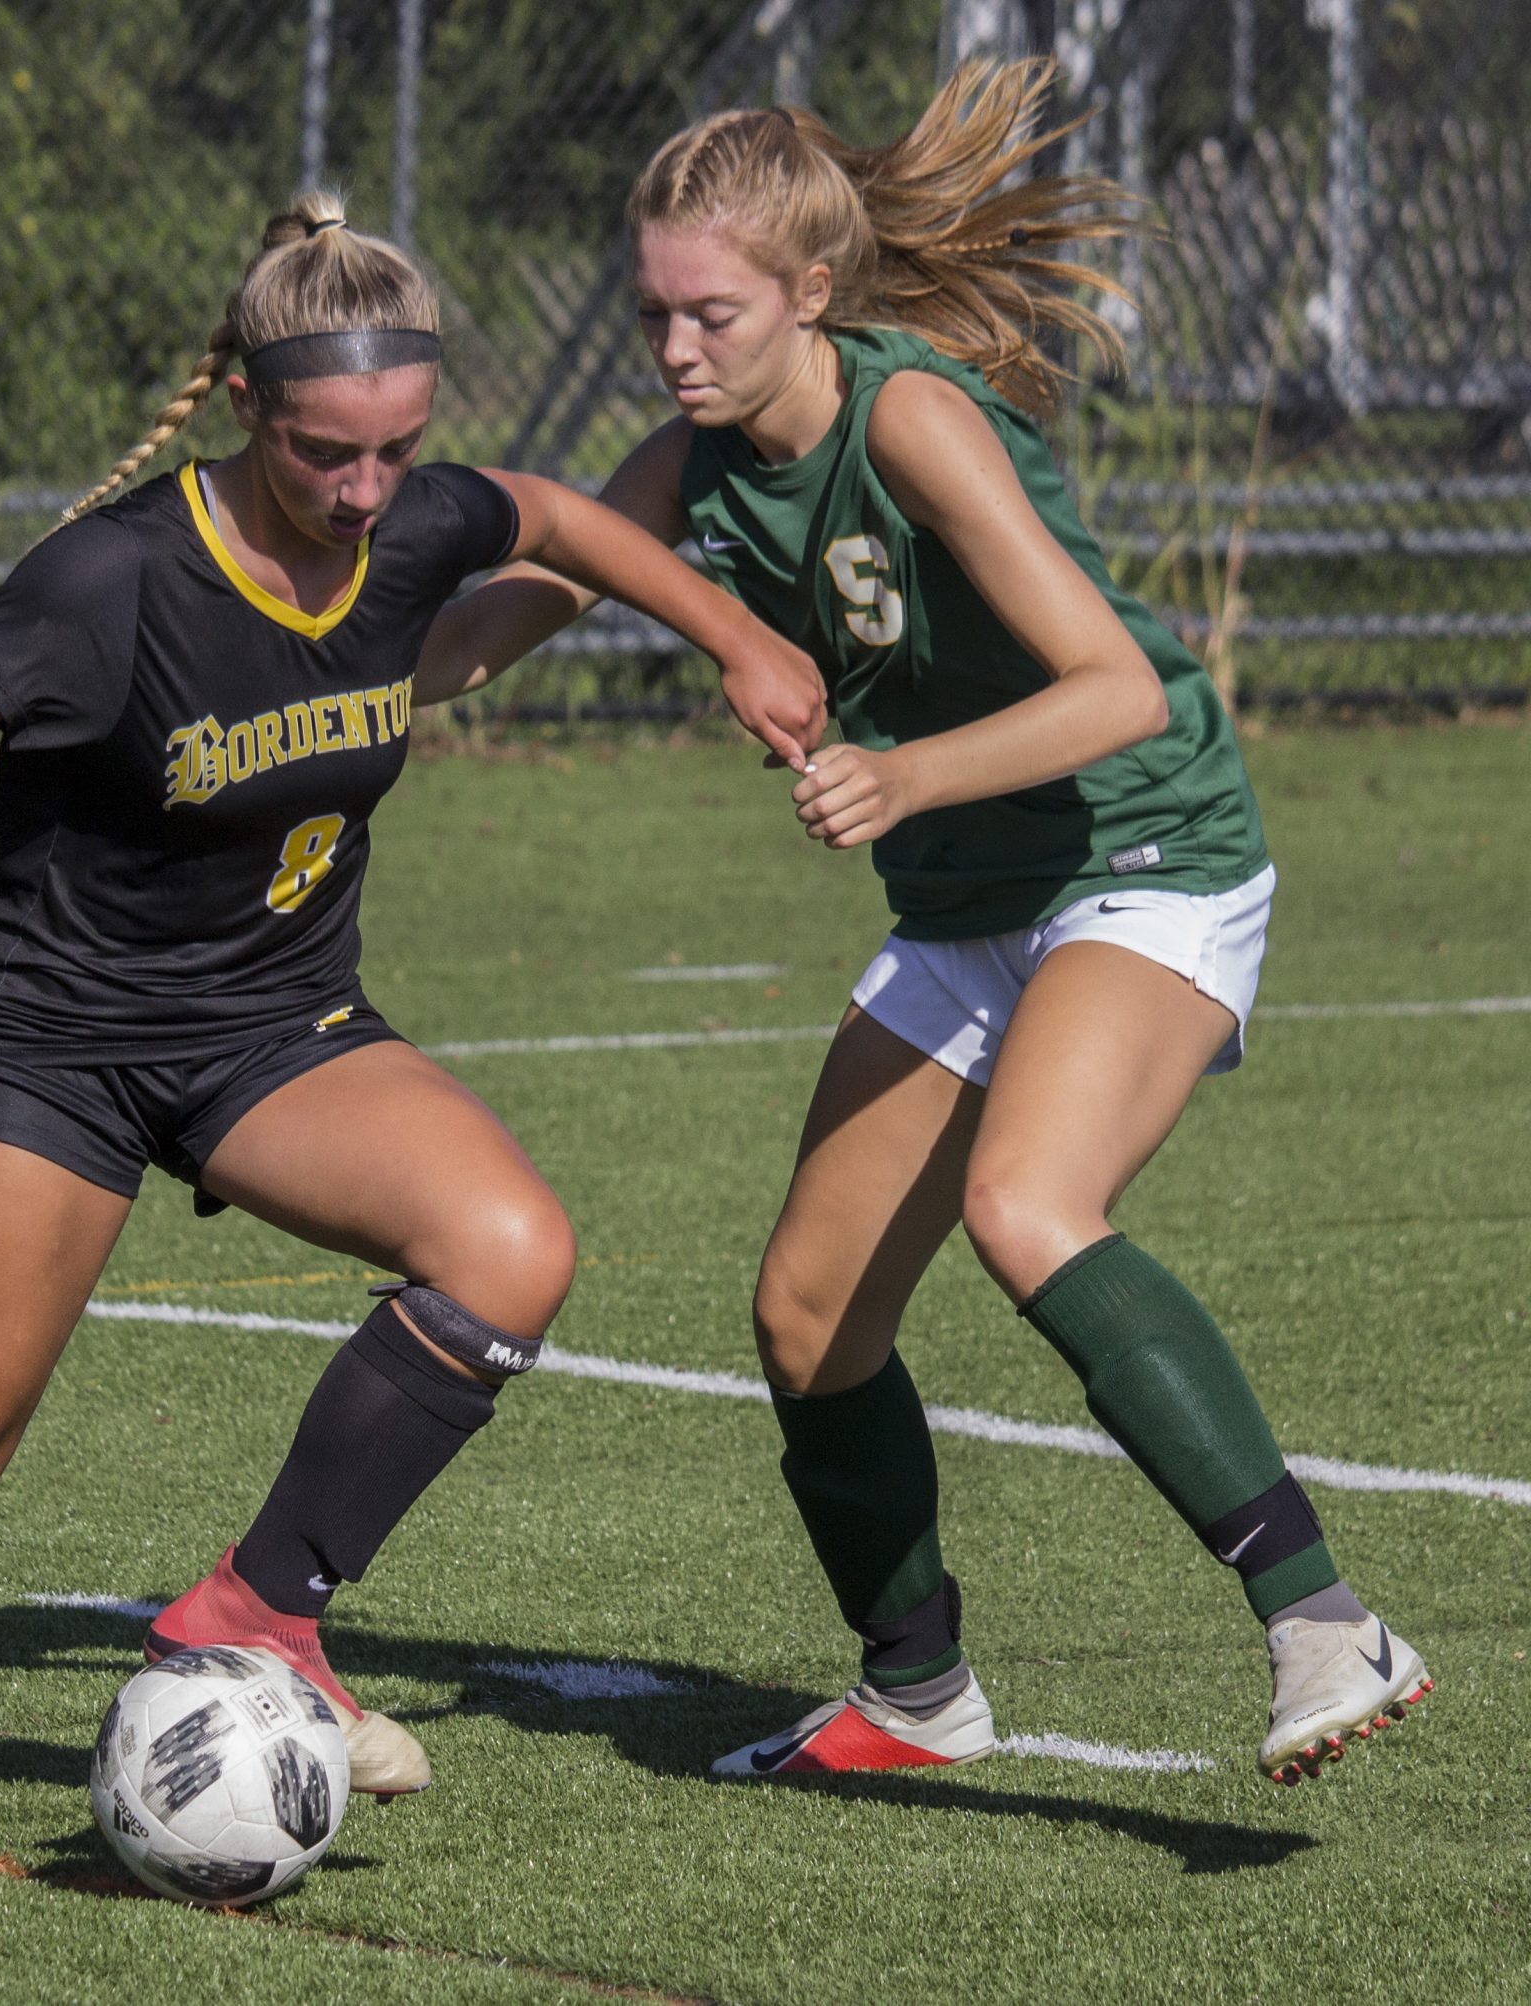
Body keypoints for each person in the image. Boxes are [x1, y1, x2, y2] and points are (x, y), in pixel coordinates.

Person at [0, 192, 825, 1868]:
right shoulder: (115, 576)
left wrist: (741, 640)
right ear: (245, 407)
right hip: (55, 1038)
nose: (370, 489)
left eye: (399, 449)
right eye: (327, 454)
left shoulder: (415, 523)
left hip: (269, 1024)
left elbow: (564, 524)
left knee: (509, 1245)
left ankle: (257, 1609)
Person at [419, 61, 1430, 1786]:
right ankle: (915, 1689)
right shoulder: (689, 457)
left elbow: (1121, 689)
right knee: (811, 1320)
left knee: (1028, 1205)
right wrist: (308, 642)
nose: (673, 348)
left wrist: (902, 775)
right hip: (971, 901)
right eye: (654, 309)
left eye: (711, 313)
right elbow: (494, 626)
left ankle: (1326, 1618)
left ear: (811, 294)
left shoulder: (910, 421)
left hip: (1146, 850)